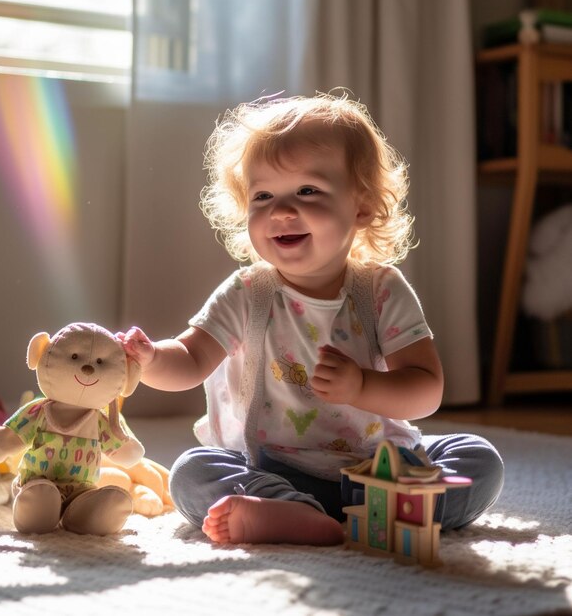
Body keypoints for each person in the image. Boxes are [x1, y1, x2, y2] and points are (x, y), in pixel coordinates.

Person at [119, 92, 504, 547]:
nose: (281, 210)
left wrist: (363, 387)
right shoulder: (248, 293)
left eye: (307, 191)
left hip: (378, 470)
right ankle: (292, 513)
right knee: (192, 473)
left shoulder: (380, 291)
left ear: (360, 207)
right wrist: (149, 358)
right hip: (271, 470)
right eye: (263, 195)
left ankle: (375, 508)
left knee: (479, 460)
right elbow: (190, 357)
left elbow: (425, 389)